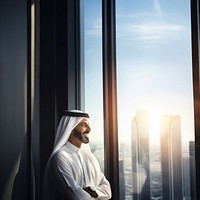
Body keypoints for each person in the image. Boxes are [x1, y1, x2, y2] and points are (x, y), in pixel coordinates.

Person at [42, 110, 112, 200]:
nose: (89, 129)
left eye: (88, 124)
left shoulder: (90, 157)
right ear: (70, 129)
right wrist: (96, 194)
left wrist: (90, 191)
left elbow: (108, 191)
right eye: (83, 125)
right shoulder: (60, 157)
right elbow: (75, 197)